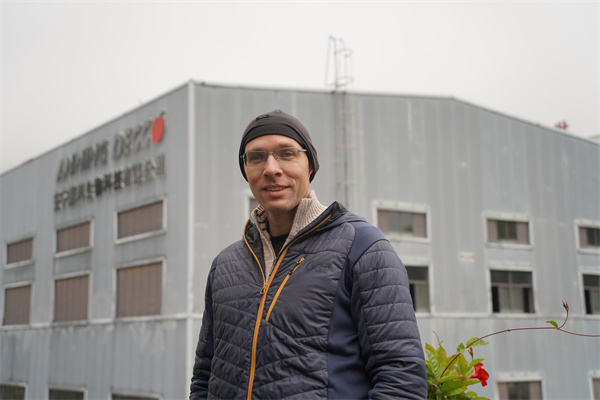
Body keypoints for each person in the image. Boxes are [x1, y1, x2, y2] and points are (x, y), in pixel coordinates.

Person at [190, 110, 427, 399]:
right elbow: (204, 377)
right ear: (246, 170)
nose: (271, 168)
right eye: (257, 157)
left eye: (287, 154)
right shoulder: (225, 265)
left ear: (310, 165)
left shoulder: (362, 247)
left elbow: (401, 379)